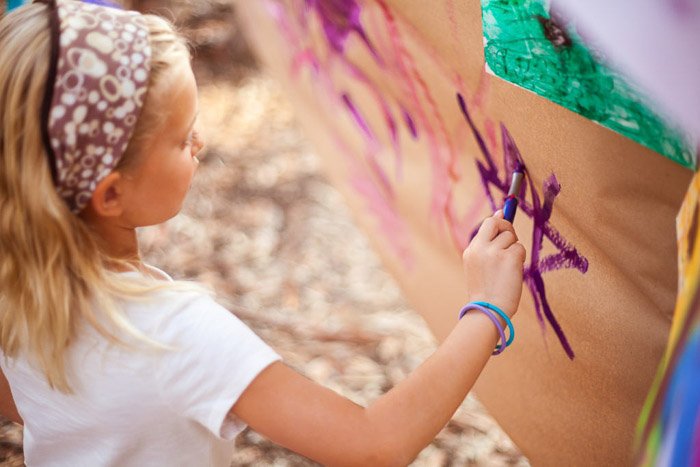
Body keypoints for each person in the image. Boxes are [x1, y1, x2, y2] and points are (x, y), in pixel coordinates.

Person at [0, 1, 526, 465]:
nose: (201, 143)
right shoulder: (173, 333)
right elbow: (374, 443)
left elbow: (27, 402)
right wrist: (487, 307)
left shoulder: (20, 287)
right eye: (182, 139)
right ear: (110, 194)